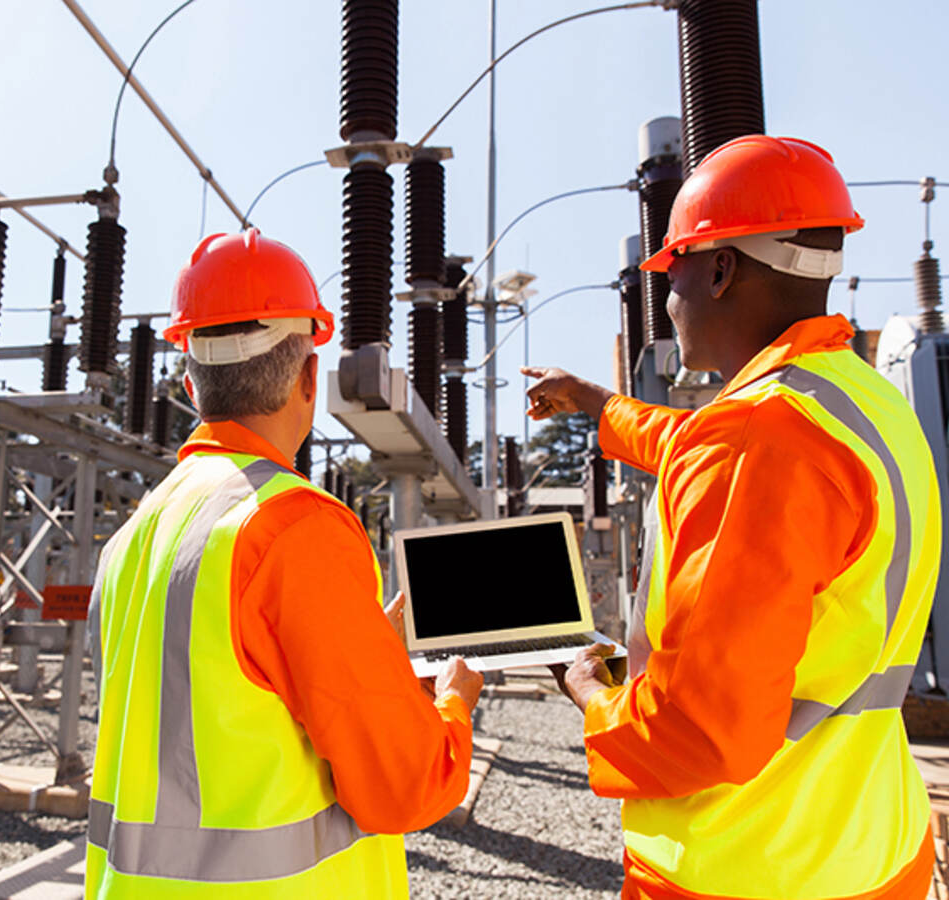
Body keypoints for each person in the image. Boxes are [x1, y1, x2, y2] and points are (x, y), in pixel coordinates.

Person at [523, 135, 940, 899]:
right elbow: (699, 445)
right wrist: (594, 402)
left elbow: (702, 733)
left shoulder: (757, 437)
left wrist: (592, 692)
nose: (668, 301)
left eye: (670, 274)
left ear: (720, 269)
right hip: (870, 846)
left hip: (747, 864)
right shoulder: (857, 401)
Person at [85, 228, 483, 899]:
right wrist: (454, 703)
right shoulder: (293, 526)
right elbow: (406, 785)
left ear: (190, 381)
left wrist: (362, 658)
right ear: (307, 376)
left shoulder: (134, 535)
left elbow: (214, 713)